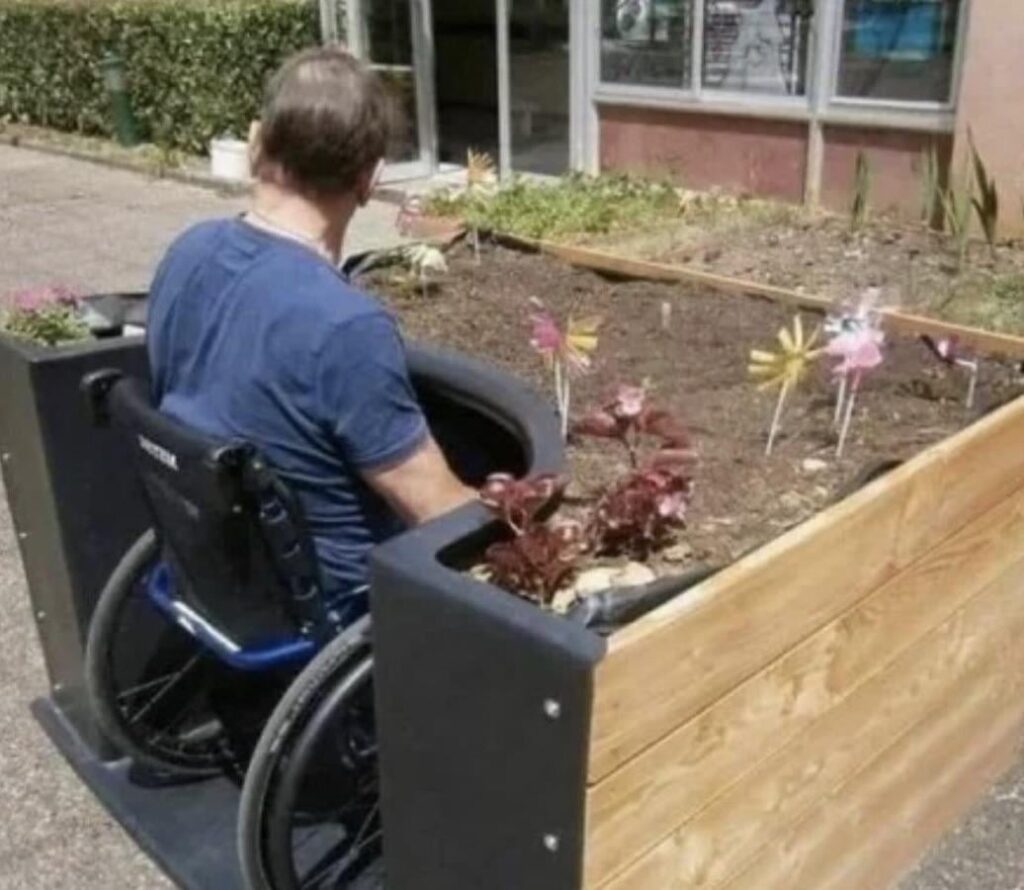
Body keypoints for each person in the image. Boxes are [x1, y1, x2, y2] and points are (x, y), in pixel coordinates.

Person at [146, 47, 475, 622]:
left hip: (221, 552)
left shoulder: (186, 252)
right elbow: (437, 511)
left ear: (256, 146)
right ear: (371, 179)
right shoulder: (346, 327)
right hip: (333, 594)